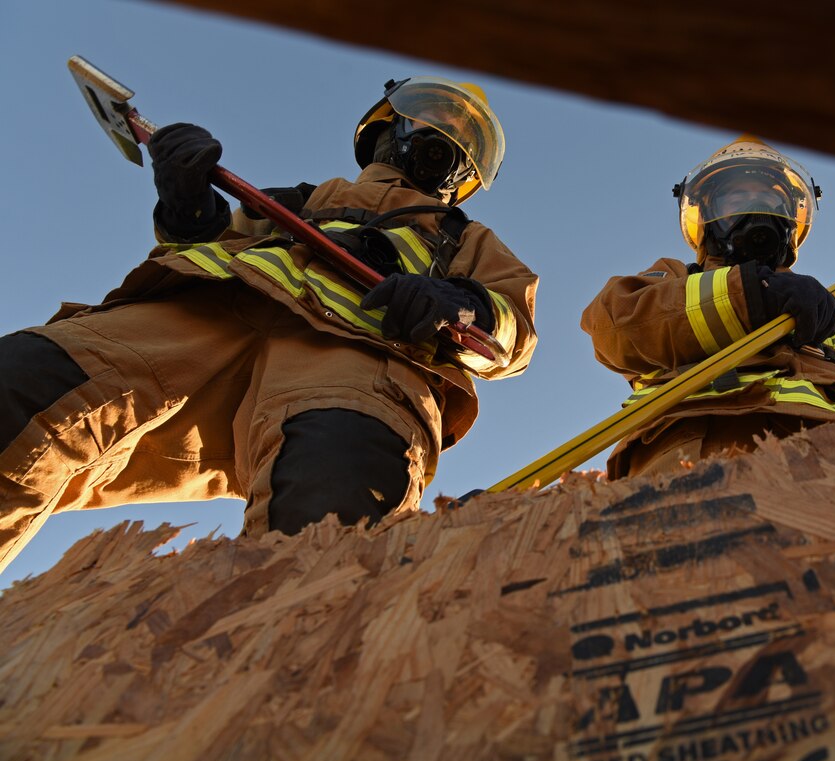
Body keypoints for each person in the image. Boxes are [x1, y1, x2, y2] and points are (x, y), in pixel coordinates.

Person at [0, 76, 538, 574]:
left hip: (356, 362)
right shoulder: (301, 202)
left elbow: (512, 333)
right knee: (21, 385)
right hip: (197, 321)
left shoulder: (467, 240)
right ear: (387, 126)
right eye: (433, 115)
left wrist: (460, 304)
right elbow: (208, 242)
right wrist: (188, 203)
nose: (444, 134)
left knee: (330, 507)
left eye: (465, 135)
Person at [581, 135, 835, 479]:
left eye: (768, 197)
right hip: (692, 464)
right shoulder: (674, 280)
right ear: (707, 218)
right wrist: (750, 295)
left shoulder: (832, 325)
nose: (755, 208)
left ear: (791, 219)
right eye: (736, 198)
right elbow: (614, 327)